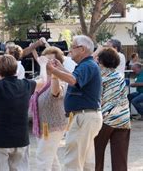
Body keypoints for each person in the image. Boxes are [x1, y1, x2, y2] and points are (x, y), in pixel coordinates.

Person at [47, 35, 103, 170]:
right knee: (85, 161)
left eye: (72, 47)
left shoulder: (87, 65)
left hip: (83, 117)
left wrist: (54, 70)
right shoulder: (88, 65)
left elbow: (73, 80)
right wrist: (60, 69)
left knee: (73, 160)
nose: (69, 50)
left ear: (82, 49)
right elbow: (75, 79)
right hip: (87, 116)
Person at [30, 47, 68, 171]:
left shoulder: (60, 80)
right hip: (41, 125)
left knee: (43, 157)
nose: (47, 62)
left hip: (52, 126)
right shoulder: (41, 80)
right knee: (51, 159)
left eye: (51, 60)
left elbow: (55, 92)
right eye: (46, 59)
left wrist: (55, 73)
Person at [94, 48, 131, 171]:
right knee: (120, 159)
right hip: (124, 119)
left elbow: (97, 98)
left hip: (104, 119)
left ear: (101, 60)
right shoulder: (119, 75)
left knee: (96, 156)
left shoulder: (100, 75)